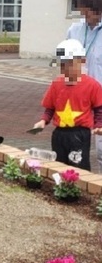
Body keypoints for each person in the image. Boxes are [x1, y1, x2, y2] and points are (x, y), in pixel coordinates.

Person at [33, 39, 102, 171]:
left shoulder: (92, 85)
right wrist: (43, 121)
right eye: (63, 64)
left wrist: (99, 125)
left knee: (78, 166)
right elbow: (50, 108)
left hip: (79, 133)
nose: (66, 68)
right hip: (60, 133)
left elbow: (99, 109)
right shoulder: (56, 84)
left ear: (81, 62)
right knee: (59, 165)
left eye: (70, 64)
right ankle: (61, 189)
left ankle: (77, 189)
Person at [66, 0, 102, 171]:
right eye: (81, 9)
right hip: (80, 100)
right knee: (76, 148)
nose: (83, 14)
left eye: (87, 9)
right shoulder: (75, 30)